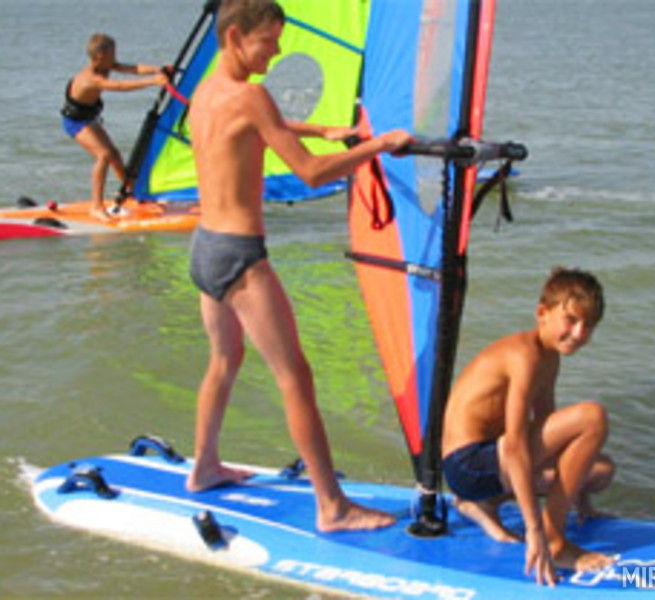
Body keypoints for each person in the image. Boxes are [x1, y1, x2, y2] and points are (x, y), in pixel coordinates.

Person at [184, 0, 413, 535]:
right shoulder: (251, 96)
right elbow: (310, 174)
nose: (278, 49)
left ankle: (205, 467)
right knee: (296, 378)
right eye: (269, 40)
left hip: (205, 248)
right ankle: (332, 506)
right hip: (240, 257)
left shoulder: (206, 93)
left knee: (224, 360)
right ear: (236, 37)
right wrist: (379, 145)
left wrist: (322, 128)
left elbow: (254, 125)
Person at [441, 267, 616, 584]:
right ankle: (554, 540)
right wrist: (535, 530)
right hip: (468, 463)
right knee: (593, 417)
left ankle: (484, 503)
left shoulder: (550, 358)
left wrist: (579, 498)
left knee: (600, 472)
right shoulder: (525, 356)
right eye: (571, 320)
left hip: (491, 461)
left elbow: (550, 433)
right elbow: (516, 445)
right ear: (542, 313)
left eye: (588, 325)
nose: (579, 333)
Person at [61, 33, 167, 220]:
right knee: (103, 155)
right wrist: (153, 82)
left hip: (89, 119)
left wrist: (158, 70)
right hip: (75, 122)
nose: (115, 57)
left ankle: (132, 192)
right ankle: (96, 207)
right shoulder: (90, 78)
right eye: (112, 53)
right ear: (99, 56)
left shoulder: (106, 65)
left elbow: (133, 69)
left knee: (114, 154)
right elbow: (119, 85)